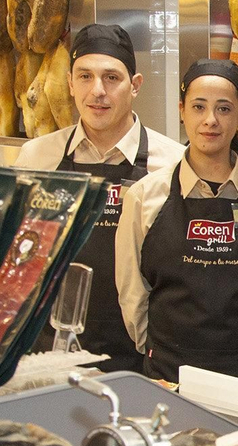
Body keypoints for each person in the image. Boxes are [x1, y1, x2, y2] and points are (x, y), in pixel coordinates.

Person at [13, 23, 183, 372]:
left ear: (134, 86)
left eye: (111, 78)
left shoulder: (173, 162)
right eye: (85, 77)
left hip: (141, 355)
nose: (98, 91)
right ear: (70, 84)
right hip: (48, 354)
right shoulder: (37, 158)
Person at [114, 60, 238, 384]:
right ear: (182, 110)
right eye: (199, 106)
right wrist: (158, 349)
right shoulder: (143, 196)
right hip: (170, 376)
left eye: (224, 109)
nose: (210, 120)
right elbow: (133, 295)